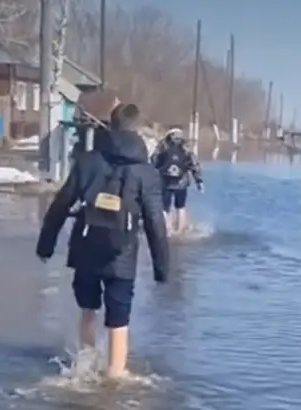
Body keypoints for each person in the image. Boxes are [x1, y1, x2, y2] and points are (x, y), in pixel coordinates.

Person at [36, 103, 169, 380]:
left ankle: (84, 369)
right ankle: (116, 375)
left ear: (111, 125)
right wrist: (161, 267)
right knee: (118, 320)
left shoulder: (88, 161)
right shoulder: (146, 172)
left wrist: (46, 245)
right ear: (137, 129)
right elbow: (156, 222)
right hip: (122, 254)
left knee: (88, 309)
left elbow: (61, 204)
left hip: (86, 248)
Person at [150, 128, 203, 235]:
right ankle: (180, 232)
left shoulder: (162, 146)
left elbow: (153, 160)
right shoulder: (185, 147)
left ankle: (166, 230)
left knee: (164, 208)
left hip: (165, 181)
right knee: (180, 207)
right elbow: (194, 164)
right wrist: (199, 181)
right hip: (181, 181)